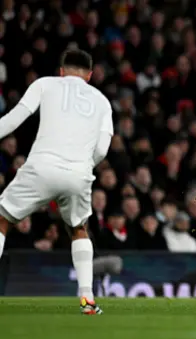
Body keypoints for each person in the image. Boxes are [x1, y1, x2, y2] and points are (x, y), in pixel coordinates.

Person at [0, 49, 112, 315]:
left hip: (41, 166)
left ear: (61, 71)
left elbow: (15, 119)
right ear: (90, 75)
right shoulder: (102, 100)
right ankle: (87, 299)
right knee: (79, 228)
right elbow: (103, 149)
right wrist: (84, 164)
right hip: (78, 173)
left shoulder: (45, 84)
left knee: (2, 219)